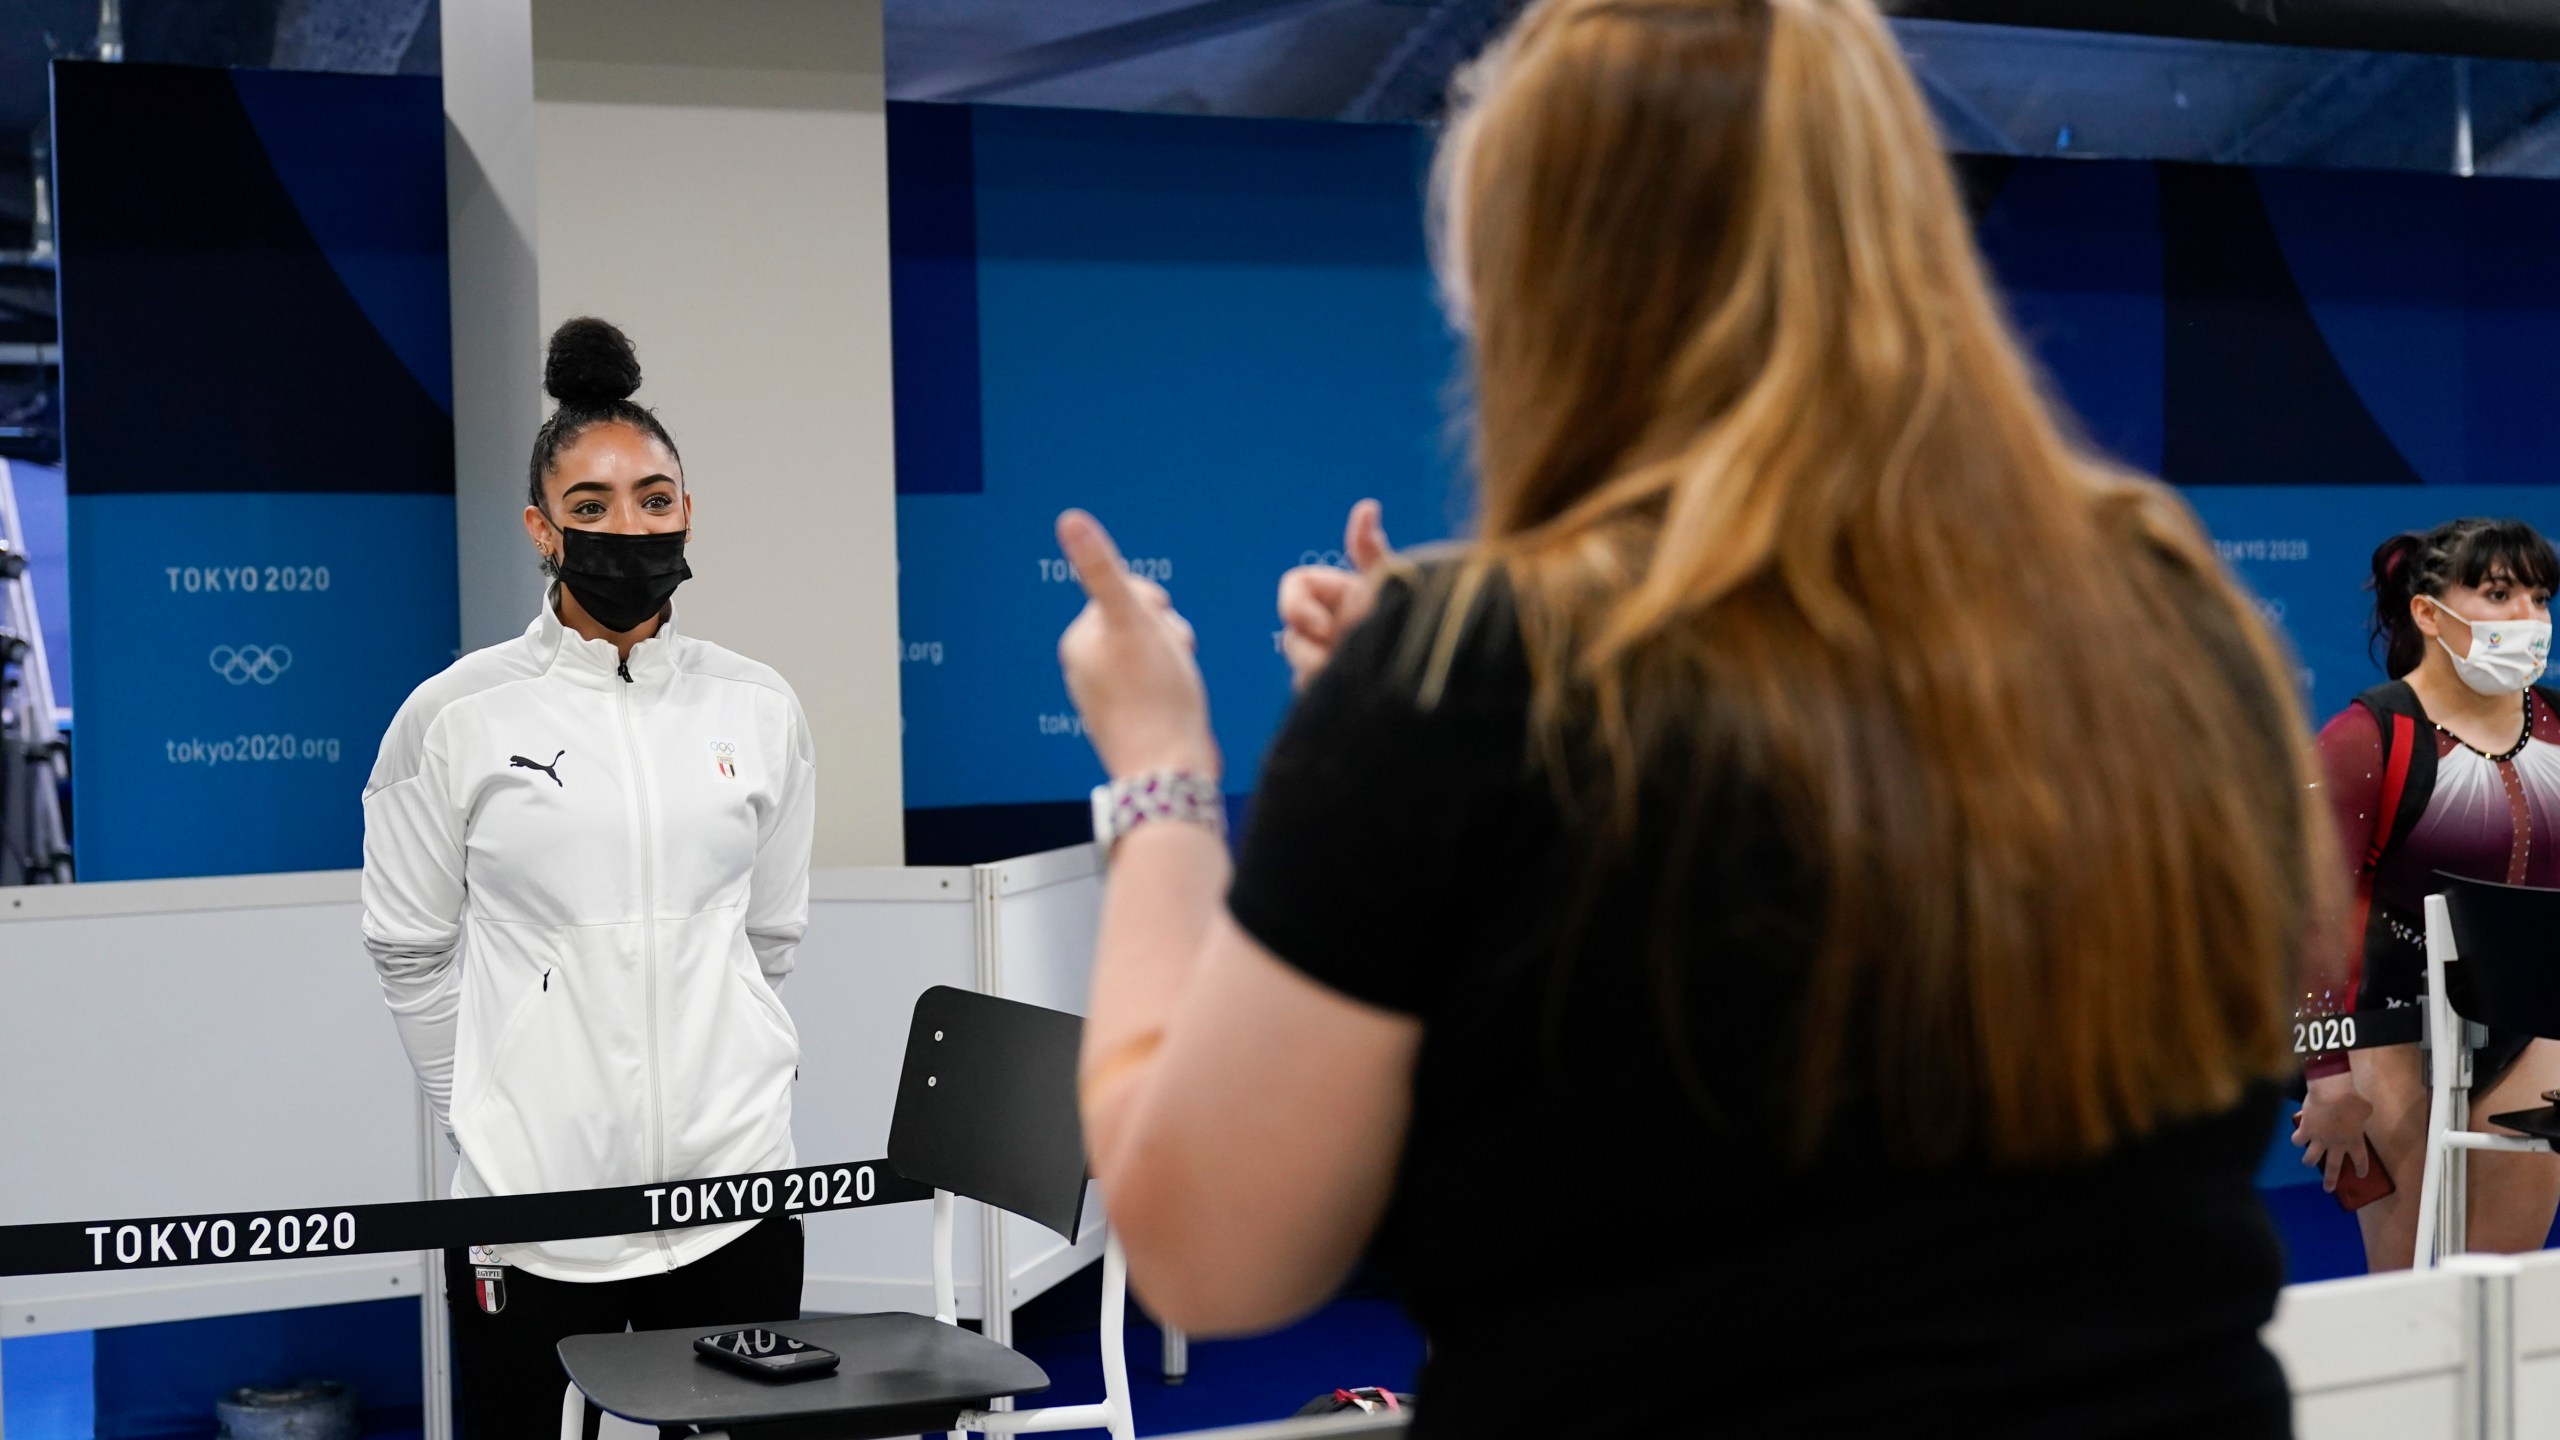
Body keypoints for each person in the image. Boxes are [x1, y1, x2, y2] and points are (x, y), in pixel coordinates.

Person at [1048, 0, 2332, 1434]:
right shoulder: (2171, 611)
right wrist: (1419, 753)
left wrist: (1163, 770)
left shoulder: (1471, 679)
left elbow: (1202, 1247)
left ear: (1530, 283)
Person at [361, 318, 818, 1438]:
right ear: (540, 529)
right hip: (537, 1217)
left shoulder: (758, 706)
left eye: (656, 499)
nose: (631, 527)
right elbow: (410, 947)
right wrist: (491, 1112)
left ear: (688, 511)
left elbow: (768, 940)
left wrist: (726, 1072)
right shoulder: (454, 715)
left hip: (735, 1201)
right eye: (595, 506)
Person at [2293, 519, 2560, 1270]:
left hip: (2532, 1026)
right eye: (2500, 594)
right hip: (2393, 1030)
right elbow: (2309, 920)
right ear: (2427, 613)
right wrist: (2325, 1075)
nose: (2530, 620)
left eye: (2539, 599)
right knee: (2412, 1295)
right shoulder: (2366, 737)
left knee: (2503, 1292)